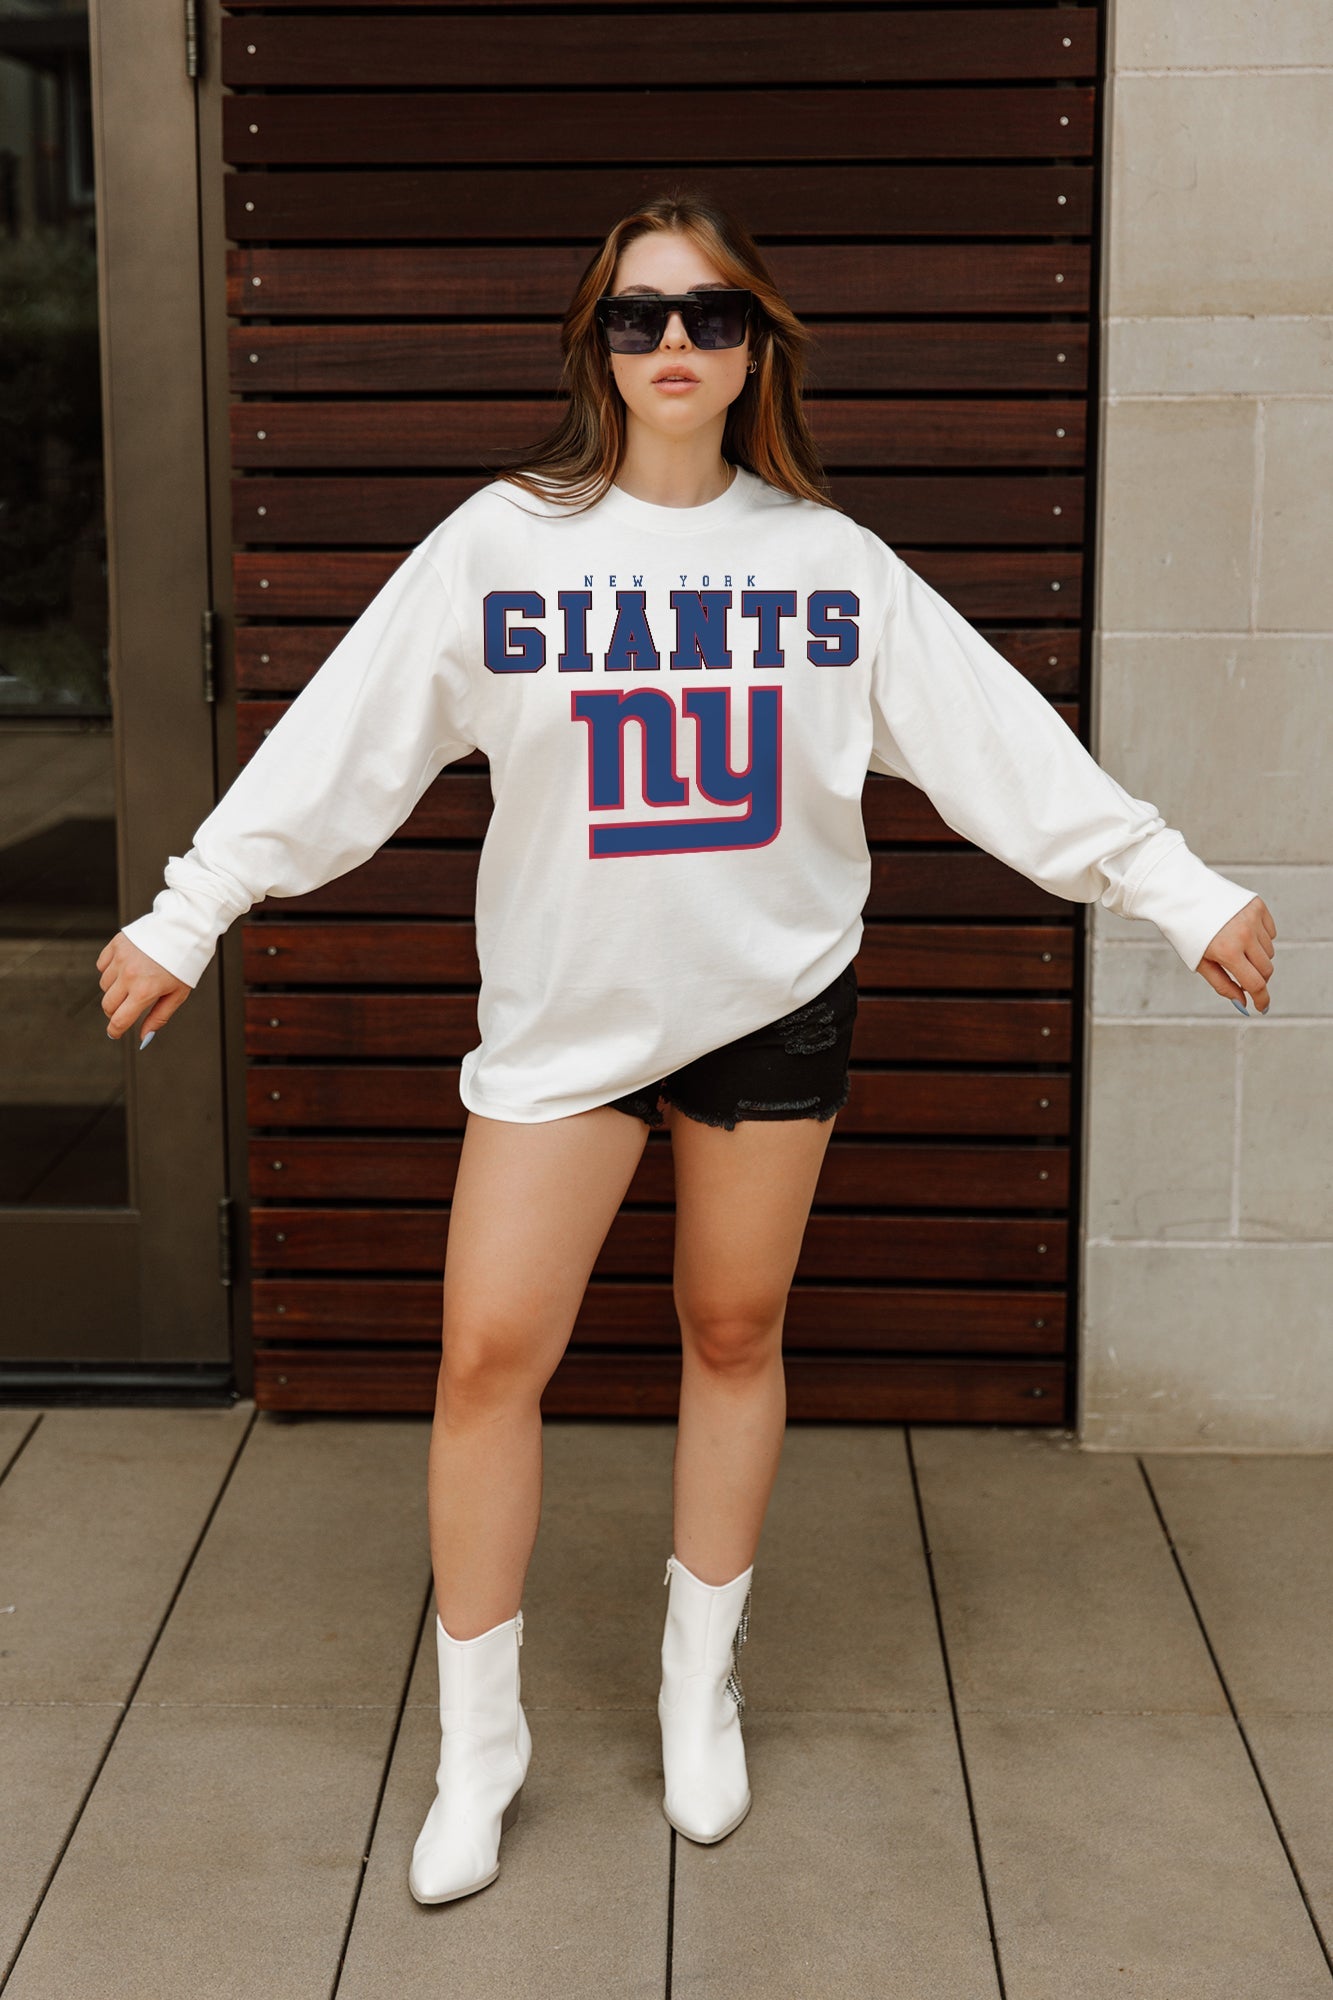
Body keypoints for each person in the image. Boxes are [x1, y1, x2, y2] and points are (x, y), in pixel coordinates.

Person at [96, 190, 1278, 1905]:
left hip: (769, 1001)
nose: (673, 343)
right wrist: (191, 909)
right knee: (487, 1357)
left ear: (754, 351)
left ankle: (693, 1686)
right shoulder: (501, 544)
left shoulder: (828, 564)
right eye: (638, 315)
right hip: (566, 1018)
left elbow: (998, 749)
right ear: (595, 344)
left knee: (731, 1332)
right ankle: (478, 1749)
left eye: (710, 317)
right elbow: (342, 743)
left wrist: (1173, 886)